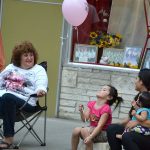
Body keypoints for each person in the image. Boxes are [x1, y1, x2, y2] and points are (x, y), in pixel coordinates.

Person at [0, 41, 48, 149]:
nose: (29, 58)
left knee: (7, 97)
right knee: (6, 97)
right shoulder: (10, 67)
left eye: (31, 55)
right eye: (25, 55)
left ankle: (8, 138)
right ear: (18, 57)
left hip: (25, 102)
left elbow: (41, 83)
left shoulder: (38, 70)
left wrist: (40, 90)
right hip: (3, 100)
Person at [107, 68, 150, 150]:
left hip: (146, 134)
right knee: (112, 129)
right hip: (137, 130)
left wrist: (138, 122)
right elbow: (130, 117)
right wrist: (117, 124)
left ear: (141, 81)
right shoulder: (139, 97)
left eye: (137, 78)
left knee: (127, 137)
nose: (135, 81)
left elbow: (136, 120)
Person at [71, 85, 123, 150]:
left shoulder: (106, 108)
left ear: (109, 97)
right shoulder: (91, 104)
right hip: (92, 129)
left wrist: (90, 137)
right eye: (101, 89)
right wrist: (81, 111)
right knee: (76, 130)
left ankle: (90, 147)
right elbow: (84, 119)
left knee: (84, 130)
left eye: (104, 90)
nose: (101, 90)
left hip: (103, 133)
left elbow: (100, 126)